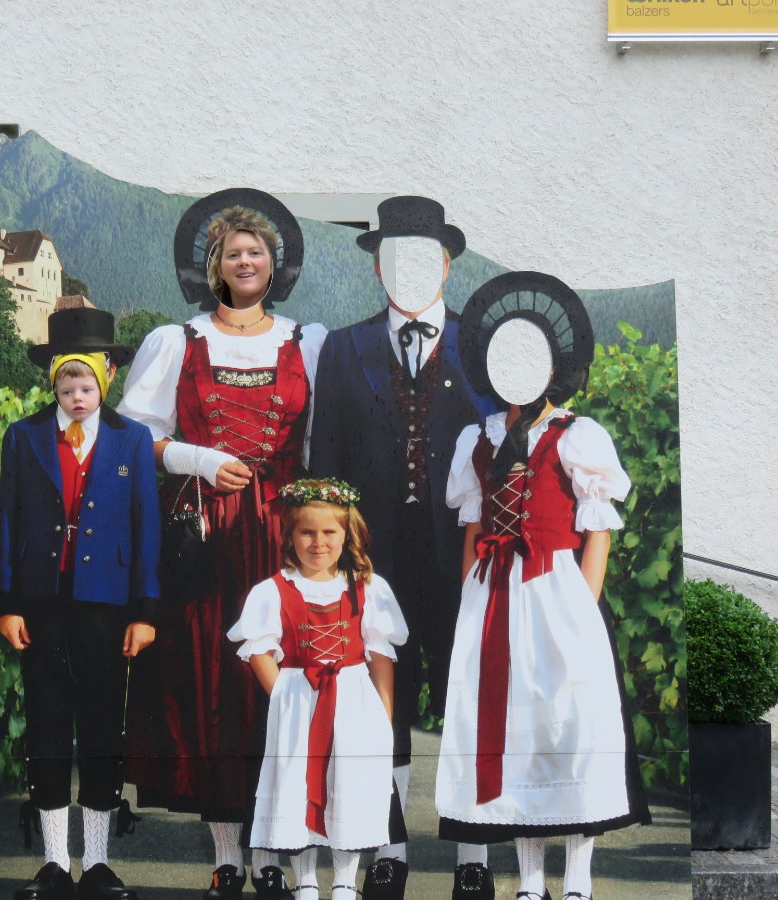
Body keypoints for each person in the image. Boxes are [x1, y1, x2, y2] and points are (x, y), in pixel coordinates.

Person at [117, 189, 327, 900]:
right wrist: (198, 460)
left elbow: (324, 440)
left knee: (276, 687)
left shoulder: (308, 342)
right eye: (232, 252)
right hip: (205, 537)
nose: (244, 260)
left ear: (274, 266)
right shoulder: (177, 341)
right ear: (215, 267)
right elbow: (134, 434)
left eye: (255, 252)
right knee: (211, 686)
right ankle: (229, 857)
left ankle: (273, 853)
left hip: (284, 539)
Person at [436, 271, 650, 900]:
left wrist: (581, 608)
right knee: (512, 732)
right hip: (492, 597)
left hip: (557, 590)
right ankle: (530, 881)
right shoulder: (477, 439)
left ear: (552, 364)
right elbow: (472, 532)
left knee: (570, 727)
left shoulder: (577, 435)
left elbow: (597, 530)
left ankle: (577, 879)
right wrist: (470, 601)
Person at [309, 196, 496, 900]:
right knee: (378, 707)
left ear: (446, 264)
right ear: (378, 269)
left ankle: (473, 858)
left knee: (466, 702)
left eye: (422, 257)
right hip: (373, 558)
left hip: (466, 559)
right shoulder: (345, 347)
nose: (409, 270)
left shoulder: (481, 350)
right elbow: (325, 461)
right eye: (394, 258)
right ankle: (389, 849)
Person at [0, 307, 162, 900]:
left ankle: (99, 862)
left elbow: (146, 529)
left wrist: (144, 611)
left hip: (106, 609)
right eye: (67, 385)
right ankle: (54, 863)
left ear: (106, 378)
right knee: (45, 727)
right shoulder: (23, 436)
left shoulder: (132, 440)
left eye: (87, 384)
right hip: (41, 605)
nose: (77, 395)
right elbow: (6, 525)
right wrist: (6, 604)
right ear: (53, 385)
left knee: (99, 729)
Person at [227, 478, 408, 900]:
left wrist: (383, 716)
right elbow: (257, 650)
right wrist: (285, 697)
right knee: (298, 786)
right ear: (289, 535)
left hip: (352, 701)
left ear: (348, 534)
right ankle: (306, 881)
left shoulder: (368, 587)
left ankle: (345, 882)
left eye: (330, 532)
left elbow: (380, 655)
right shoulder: (271, 590)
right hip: (298, 701)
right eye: (307, 532)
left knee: (350, 785)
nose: (318, 542)